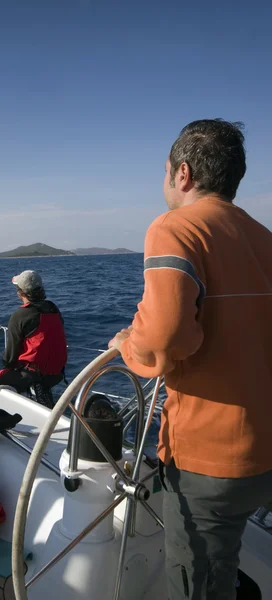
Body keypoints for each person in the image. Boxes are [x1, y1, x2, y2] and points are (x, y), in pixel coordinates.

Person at [108, 119, 272, 600]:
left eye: (163, 172)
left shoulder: (175, 229)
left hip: (212, 459)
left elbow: (163, 338)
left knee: (197, 584)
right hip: (265, 452)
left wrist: (125, 348)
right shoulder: (264, 239)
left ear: (182, 174)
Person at [0, 270, 67, 399]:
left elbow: (10, 358)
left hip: (33, 376)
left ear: (20, 293)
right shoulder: (53, 308)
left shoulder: (20, 316)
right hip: (56, 374)